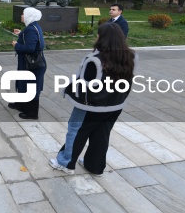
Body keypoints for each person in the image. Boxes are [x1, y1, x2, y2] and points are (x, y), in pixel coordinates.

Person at [49, 22, 136, 176]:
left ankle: (65, 163)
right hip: (115, 106)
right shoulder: (130, 56)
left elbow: (84, 85)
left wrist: (68, 88)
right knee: (101, 135)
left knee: (76, 132)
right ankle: (95, 166)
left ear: (102, 38)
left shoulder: (94, 60)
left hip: (91, 106)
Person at [11, 7, 46, 119]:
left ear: (29, 16)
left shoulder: (31, 29)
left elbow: (30, 48)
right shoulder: (33, 26)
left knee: (31, 86)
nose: (21, 16)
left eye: (23, 14)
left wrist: (16, 45)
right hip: (30, 62)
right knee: (23, 83)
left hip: (32, 63)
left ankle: (32, 112)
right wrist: (21, 34)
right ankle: (21, 104)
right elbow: (32, 40)